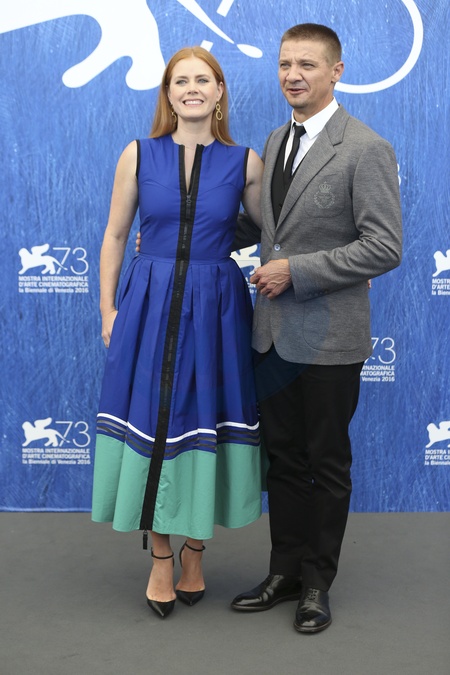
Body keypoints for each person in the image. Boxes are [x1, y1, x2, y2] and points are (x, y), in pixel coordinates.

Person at [230, 23, 402, 633]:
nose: (293, 75)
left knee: (326, 462)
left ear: (336, 72)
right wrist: (182, 237)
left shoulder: (366, 148)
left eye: (307, 64)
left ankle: (316, 584)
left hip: (330, 338)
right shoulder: (277, 139)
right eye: (285, 64)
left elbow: (384, 246)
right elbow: (267, 228)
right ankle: (283, 572)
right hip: (272, 335)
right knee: (282, 460)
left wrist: (295, 271)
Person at [91, 46, 264, 620]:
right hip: (149, 304)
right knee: (157, 420)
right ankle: (161, 557)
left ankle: (196, 551)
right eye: (181, 80)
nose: (192, 88)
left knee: (205, 419)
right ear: (168, 93)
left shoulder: (246, 162)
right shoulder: (138, 154)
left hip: (217, 308)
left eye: (203, 80)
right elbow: (116, 235)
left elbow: (274, 229)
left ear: (219, 92)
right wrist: (108, 310)